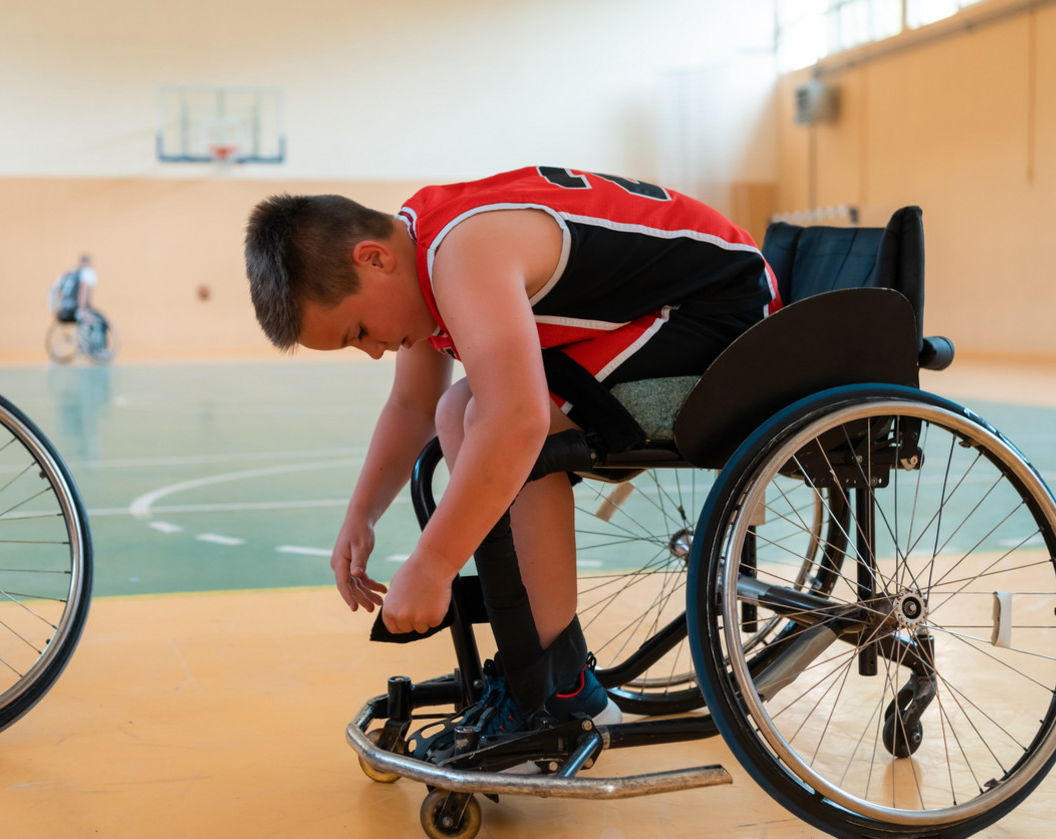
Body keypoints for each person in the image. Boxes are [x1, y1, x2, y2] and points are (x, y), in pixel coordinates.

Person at [244, 166, 781, 737]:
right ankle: (553, 672)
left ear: (373, 258)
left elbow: (518, 421)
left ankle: (560, 686)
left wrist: (433, 564)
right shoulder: (422, 244)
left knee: (499, 417)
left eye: (357, 331)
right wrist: (362, 515)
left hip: (725, 317)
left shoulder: (462, 253)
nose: (374, 351)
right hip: (671, 309)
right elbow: (412, 404)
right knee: (459, 410)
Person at [49, 254, 98, 322]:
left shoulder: (69, 273)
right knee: (96, 321)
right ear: (89, 263)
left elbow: (53, 290)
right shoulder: (87, 272)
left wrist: (54, 310)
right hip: (75, 311)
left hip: (63, 311)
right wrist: (82, 311)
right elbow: (83, 291)